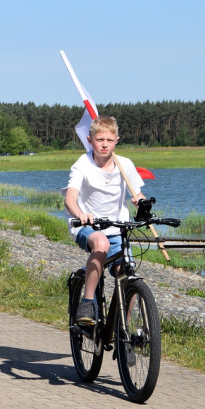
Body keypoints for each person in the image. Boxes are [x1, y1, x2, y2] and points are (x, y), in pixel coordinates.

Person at [64, 116, 145, 326]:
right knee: (101, 243)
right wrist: (80, 214)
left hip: (117, 228)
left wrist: (141, 202)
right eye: (100, 139)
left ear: (117, 140)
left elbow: (138, 194)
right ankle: (88, 302)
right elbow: (70, 199)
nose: (104, 145)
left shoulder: (124, 164)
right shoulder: (82, 164)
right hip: (87, 226)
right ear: (90, 140)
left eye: (109, 140)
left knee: (127, 274)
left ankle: (122, 331)